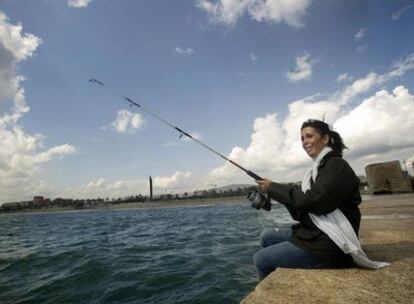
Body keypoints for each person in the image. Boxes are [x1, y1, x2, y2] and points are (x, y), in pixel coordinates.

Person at [253, 119, 362, 280]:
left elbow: (316, 202)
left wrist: (274, 188)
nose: (305, 142)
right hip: (315, 234)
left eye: (309, 136)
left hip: (331, 244)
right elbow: (301, 212)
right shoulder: (317, 171)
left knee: (261, 259)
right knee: (267, 235)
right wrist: (274, 191)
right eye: (302, 138)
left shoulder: (336, 165)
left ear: (325, 139)